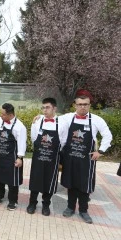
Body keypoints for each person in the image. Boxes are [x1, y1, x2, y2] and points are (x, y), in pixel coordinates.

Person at [60, 90, 112, 224]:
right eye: (80, 104)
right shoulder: (67, 117)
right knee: (71, 183)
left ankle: (83, 211)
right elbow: (52, 121)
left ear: (89, 105)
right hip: (70, 157)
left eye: (86, 104)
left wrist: (100, 151)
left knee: (85, 185)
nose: (83, 106)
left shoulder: (96, 120)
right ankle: (70, 208)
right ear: (75, 105)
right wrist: (39, 118)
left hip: (87, 159)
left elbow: (107, 135)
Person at [26, 98, 68, 216]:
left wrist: (51, 151)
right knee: (35, 179)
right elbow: (34, 138)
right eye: (43, 107)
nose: (45, 110)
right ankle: (32, 203)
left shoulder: (62, 123)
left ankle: (46, 205)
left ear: (54, 108)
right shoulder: (37, 121)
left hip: (53, 158)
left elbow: (63, 141)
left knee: (49, 181)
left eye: (47, 107)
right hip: (38, 156)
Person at [0, 103, 27, 211]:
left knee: (13, 181)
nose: (0, 116)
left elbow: (22, 143)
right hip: (0, 156)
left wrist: (20, 158)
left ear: (10, 114)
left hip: (11, 158)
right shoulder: (0, 122)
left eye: (2, 114)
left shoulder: (19, 127)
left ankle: (13, 201)